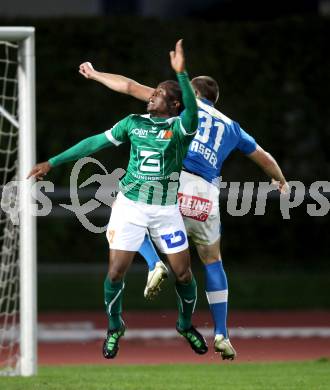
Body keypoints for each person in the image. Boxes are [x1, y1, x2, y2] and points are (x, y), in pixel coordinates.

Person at [79, 61, 290, 361]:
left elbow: (128, 86)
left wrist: (96, 74)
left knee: (128, 209)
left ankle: (154, 264)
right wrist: (280, 180)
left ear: (190, 94)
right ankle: (221, 334)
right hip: (206, 196)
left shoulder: (181, 109)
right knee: (212, 260)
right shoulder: (231, 126)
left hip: (173, 181)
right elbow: (264, 156)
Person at [28, 40, 209, 359]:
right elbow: (96, 140)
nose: (150, 96)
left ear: (174, 105)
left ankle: (184, 324)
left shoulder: (181, 128)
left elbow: (192, 113)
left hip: (166, 209)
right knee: (115, 272)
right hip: (131, 204)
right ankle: (115, 327)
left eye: (158, 94)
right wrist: (53, 162)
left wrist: (181, 74)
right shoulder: (133, 123)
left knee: (184, 273)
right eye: (152, 92)